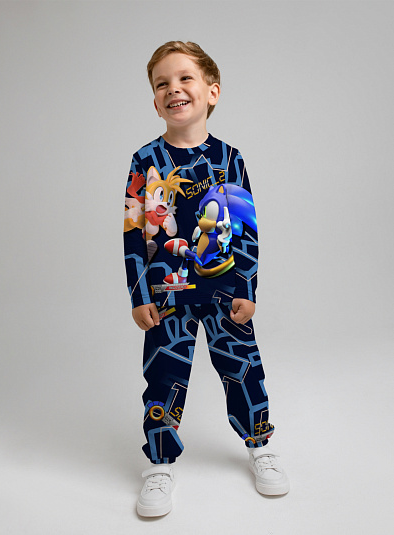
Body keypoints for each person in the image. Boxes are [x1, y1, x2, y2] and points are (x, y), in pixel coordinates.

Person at [123, 41, 289, 518]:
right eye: (162, 84)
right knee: (163, 377)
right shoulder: (143, 161)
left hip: (223, 291)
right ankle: (159, 464)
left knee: (244, 369)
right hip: (165, 296)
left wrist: (247, 288)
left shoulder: (230, 158)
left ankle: (260, 445)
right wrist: (138, 294)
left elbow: (246, 230)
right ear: (155, 101)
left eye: (184, 78)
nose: (173, 89)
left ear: (211, 92)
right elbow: (133, 232)